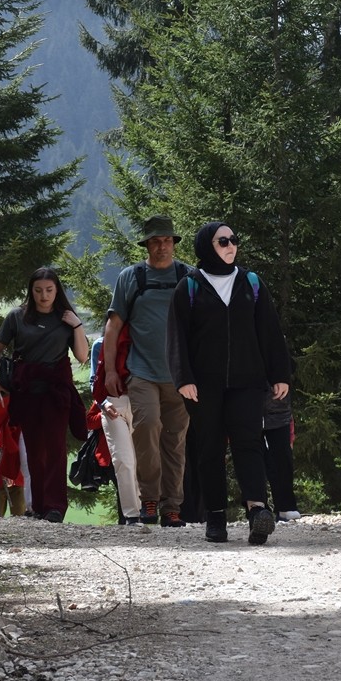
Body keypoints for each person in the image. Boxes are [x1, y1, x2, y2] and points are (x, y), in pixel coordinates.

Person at [167, 222, 292, 545]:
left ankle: (257, 511)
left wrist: (279, 374)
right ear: (207, 246)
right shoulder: (190, 286)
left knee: (248, 443)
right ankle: (216, 518)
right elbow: (176, 337)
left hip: (248, 382)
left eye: (234, 240)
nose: (231, 245)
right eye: (223, 241)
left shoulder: (251, 282)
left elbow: (269, 330)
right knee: (209, 448)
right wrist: (183, 379)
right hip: (202, 385)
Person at [100, 215, 194, 527]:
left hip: (181, 375)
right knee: (147, 428)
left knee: (175, 439)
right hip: (141, 371)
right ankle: (149, 499)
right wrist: (110, 371)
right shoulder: (132, 277)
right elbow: (112, 328)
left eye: (167, 240)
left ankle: (172, 507)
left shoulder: (188, 276)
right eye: (156, 241)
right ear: (147, 244)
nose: (162, 246)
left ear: (174, 243)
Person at [0, 267, 90, 523]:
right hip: (27, 391)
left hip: (56, 392)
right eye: (38, 291)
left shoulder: (66, 317)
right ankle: (40, 506)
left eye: (49, 290)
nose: (44, 296)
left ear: (57, 291)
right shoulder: (16, 317)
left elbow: (82, 356)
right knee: (34, 450)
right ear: (31, 291)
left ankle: (55, 506)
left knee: (55, 448)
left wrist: (77, 325)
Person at [90, 335, 144, 526]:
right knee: (123, 459)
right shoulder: (100, 344)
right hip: (114, 404)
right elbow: (93, 381)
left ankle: (150, 508)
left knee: (144, 459)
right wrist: (103, 403)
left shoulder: (143, 338)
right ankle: (132, 515)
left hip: (143, 402)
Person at [263, 383, 300, 522]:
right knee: (254, 460)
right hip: (247, 404)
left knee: (282, 458)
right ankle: (258, 509)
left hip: (279, 407)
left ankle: (285, 507)